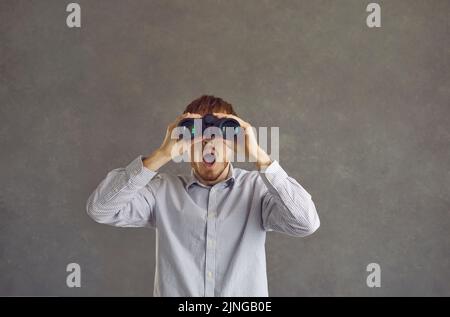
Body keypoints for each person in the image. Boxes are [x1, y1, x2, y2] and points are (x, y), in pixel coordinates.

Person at [86, 95, 320, 296]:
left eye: (221, 133)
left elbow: (305, 223)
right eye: (197, 133)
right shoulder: (162, 191)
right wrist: (162, 154)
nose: (209, 142)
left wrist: (259, 156)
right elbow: (100, 209)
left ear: (233, 141)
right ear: (185, 144)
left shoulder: (257, 189)